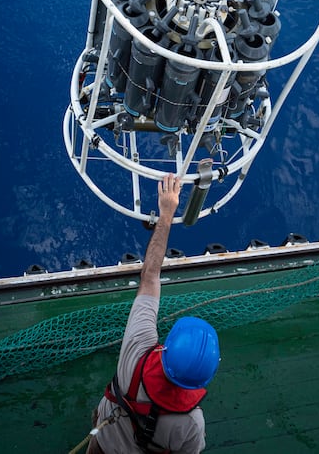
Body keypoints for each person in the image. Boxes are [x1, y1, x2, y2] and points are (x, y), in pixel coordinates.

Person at [87, 173, 220, 454]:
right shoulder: (192, 424)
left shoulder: (138, 349)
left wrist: (167, 212)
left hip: (103, 439)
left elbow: (149, 275)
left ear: (167, 348)